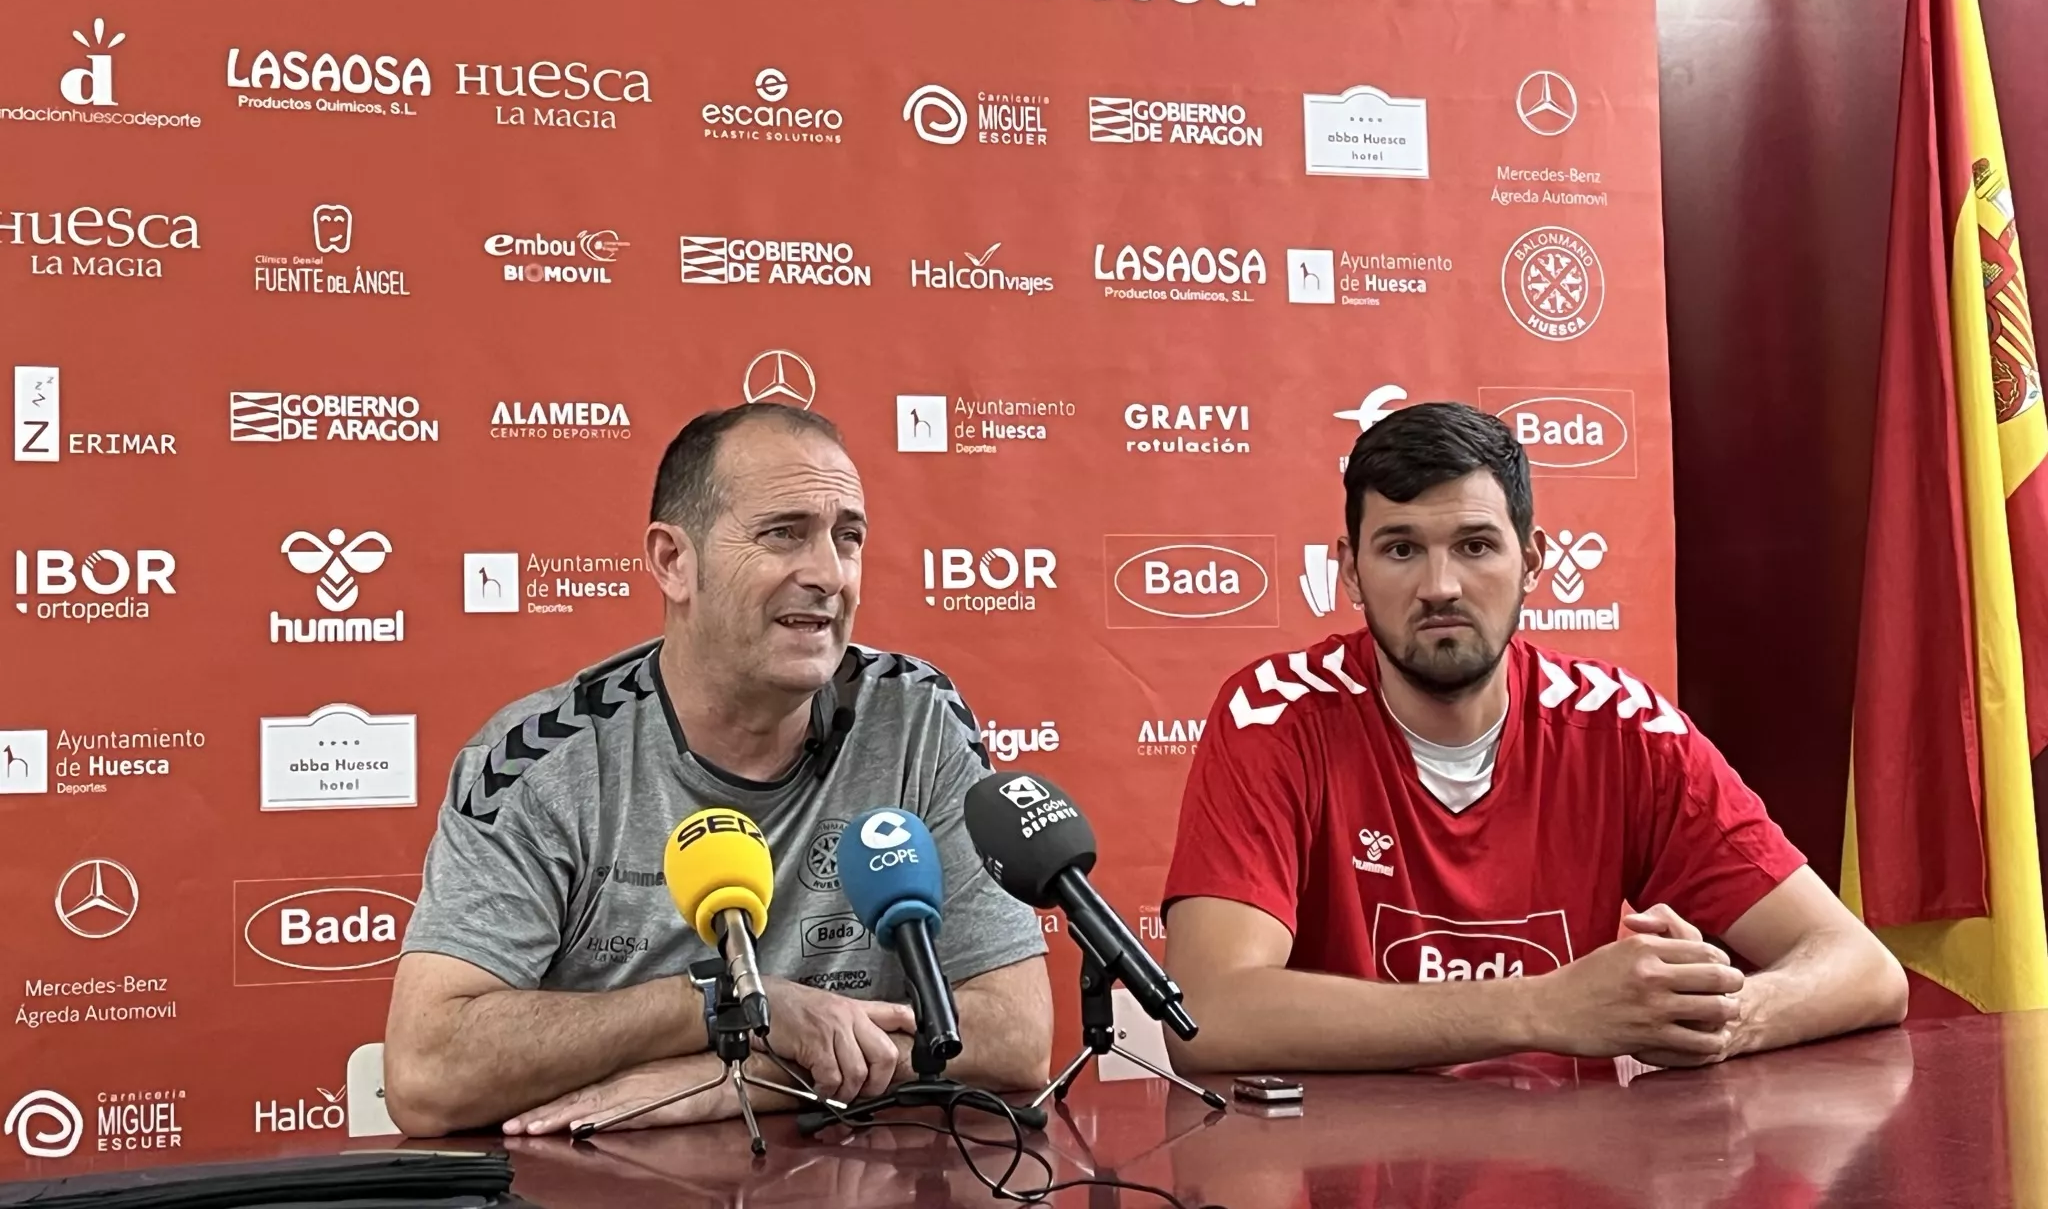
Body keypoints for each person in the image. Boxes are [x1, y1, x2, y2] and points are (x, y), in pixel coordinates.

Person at [1162, 401, 1906, 1072]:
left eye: (1476, 546)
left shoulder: (1622, 727)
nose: (1441, 586)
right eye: (1400, 549)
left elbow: (1862, 969)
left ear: (1534, 562)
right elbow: (1210, 1015)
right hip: (1347, 1176)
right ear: (1349, 571)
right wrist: (1543, 1008)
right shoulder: (1274, 716)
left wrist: (1717, 1019)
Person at [383, 404, 1052, 1136]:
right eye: (783, 534)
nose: (829, 574)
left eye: (848, 537)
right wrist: (711, 1003)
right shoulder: (540, 759)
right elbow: (427, 1074)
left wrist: (737, 1074)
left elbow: (1015, 1036)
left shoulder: (912, 717)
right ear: (674, 561)